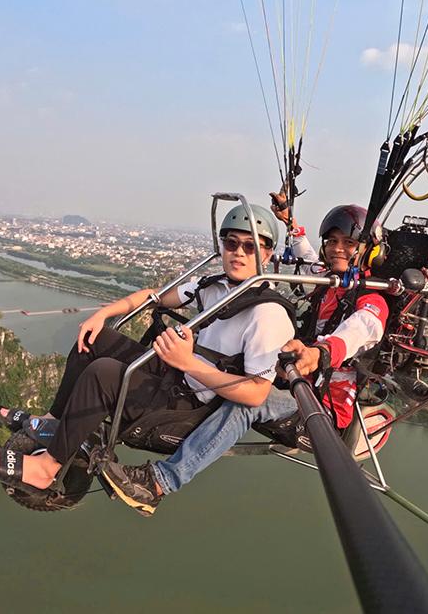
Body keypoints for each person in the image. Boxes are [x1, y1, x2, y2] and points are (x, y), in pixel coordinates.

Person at [0, 204, 296, 514]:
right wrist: (103, 314)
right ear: (222, 246)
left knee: (103, 374)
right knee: (93, 341)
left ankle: (47, 468)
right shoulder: (217, 288)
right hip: (179, 376)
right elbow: (154, 296)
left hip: (192, 406)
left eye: (250, 246)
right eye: (231, 243)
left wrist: (188, 362)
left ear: (267, 254)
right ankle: (53, 422)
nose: (239, 253)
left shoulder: (267, 314)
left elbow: (255, 394)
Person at [100, 196, 389, 516]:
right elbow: (305, 254)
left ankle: (159, 484)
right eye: (332, 241)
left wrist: (318, 353)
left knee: (248, 398)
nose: (337, 248)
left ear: (369, 251)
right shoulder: (326, 279)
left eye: (349, 243)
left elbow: (355, 333)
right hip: (294, 388)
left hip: (319, 413)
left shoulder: (372, 303)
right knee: (235, 372)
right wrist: (289, 220)